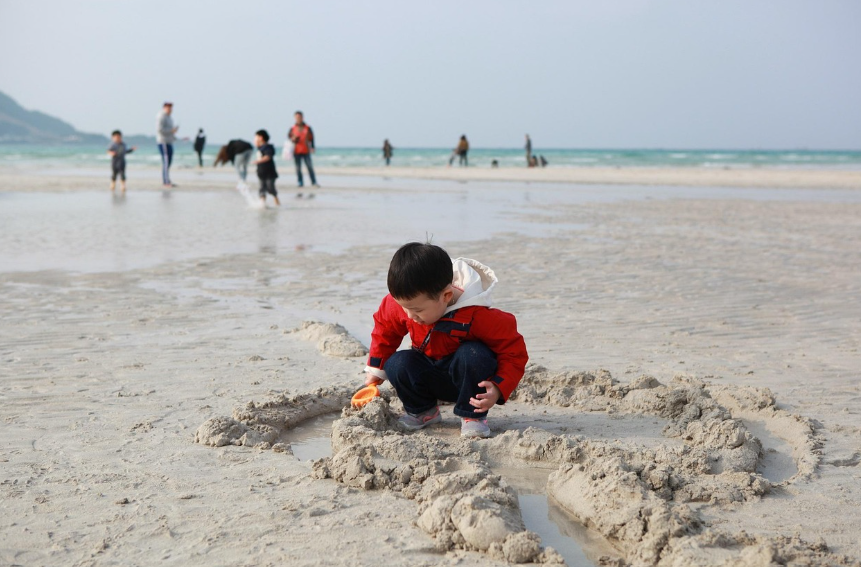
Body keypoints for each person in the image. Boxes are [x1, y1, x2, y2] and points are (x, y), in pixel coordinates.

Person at [363, 242, 528, 438]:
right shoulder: (407, 302)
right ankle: (423, 411)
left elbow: (513, 352)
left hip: (468, 380)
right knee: (396, 363)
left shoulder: (478, 315)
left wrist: (499, 387)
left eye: (417, 310)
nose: (409, 315)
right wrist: (375, 369)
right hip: (428, 372)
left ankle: (473, 417)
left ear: (446, 295)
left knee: (473, 354)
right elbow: (385, 330)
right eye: (403, 308)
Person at [288, 111, 318, 188]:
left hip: (306, 150)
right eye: (297, 117)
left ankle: (313, 182)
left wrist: (312, 147)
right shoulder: (292, 128)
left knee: (309, 167)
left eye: (299, 117)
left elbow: (312, 138)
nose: (298, 118)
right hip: (296, 151)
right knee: (298, 168)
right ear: (295, 118)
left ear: (302, 117)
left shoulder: (307, 127)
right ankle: (300, 182)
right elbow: (289, 137)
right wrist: (293, 139)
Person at [253, 129, 280, 207]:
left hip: (270, 173)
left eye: (256, 137)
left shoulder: (268, 147)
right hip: (261, 172)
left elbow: (268, 157)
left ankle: (277, 201)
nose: (255, 139)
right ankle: (262, 204)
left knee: (270, 188)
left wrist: (258, 161)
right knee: (262, 189)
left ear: (261, 137)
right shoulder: (260, 148)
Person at [156, 102, 178, 188]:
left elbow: (170, 131)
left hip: (169, 141)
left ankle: (167, 179)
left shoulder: (170, 118)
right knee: (166, 161)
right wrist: (171, 131)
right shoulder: (161, 116)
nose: (170, 110)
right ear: (164, 108)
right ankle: (165, 181)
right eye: (168, 108)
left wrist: (173, 135)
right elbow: (160, 129)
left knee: (169, 161)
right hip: (163, 141)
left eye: (171, 108)